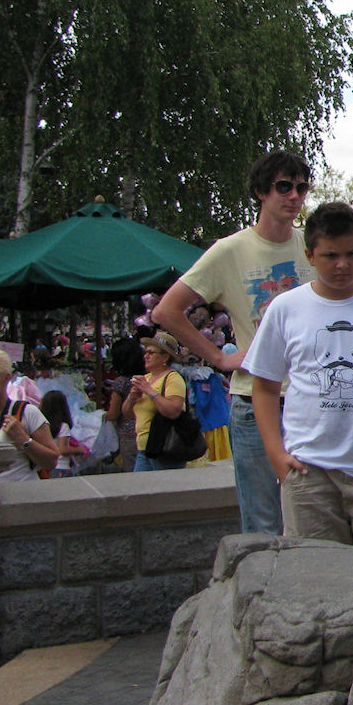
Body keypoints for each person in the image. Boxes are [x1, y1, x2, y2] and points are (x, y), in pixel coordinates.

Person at [246, 202, 353, 549]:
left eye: (351, 254)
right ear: (310, 255)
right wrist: (276, 454)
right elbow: (264, 387)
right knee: (314, 571)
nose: (342, 265)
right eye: (331, 256)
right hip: (307, 471)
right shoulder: (285, 309)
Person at [153, 150, 315, 533]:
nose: (294, 196)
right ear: (261, 192)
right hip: (255, 400)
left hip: (312, 400)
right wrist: (220, 358)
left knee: (313, 517)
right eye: (284, 187)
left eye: (302, 187)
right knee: (263, 524)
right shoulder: (230, 250)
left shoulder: (312, 245)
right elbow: (167, 311)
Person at [0, 349, 57, 480]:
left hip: (22, 492)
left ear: (6, 378)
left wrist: (23, 439)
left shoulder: (27, 412)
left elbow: (51, 462)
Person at [127, 332, 189, 472]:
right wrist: (131, 398)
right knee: (140, 485)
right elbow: (127, 414)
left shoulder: (173, 378)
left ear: (165, 357)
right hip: (144, 449)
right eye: (145, 352)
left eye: (151, 352)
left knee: (165, 485)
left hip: (165, 447)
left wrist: (150, 392)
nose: (146, 356)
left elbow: (174, 411)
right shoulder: (146, 379)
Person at [106, 338, 147, 472]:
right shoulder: (147, 379)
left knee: (132, 473)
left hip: (129, 435)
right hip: (146, 430)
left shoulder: (121, 382)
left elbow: (113, 414)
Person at [40, 390, 85, 477]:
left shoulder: (41, 425)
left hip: (45, 467)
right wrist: (79, 449)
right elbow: (62, 450)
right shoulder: (63, 426)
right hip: (61, 467)